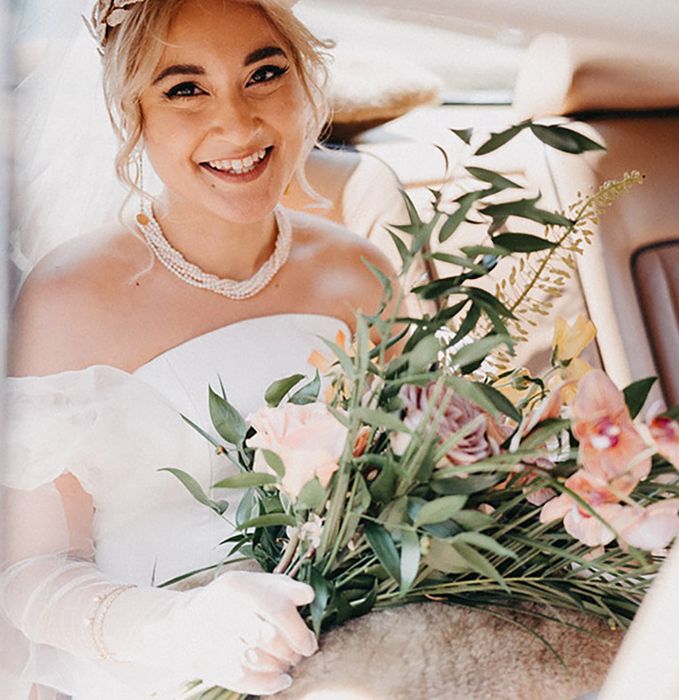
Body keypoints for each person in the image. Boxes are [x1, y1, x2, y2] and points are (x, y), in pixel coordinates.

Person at [0, 0, 395, 698]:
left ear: (305, 82)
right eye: (185, 88)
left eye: (264, 73)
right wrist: (181, 628)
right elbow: (27, 574)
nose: (238, 123)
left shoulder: (362, 277)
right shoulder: (66, 301)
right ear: (132, 111)